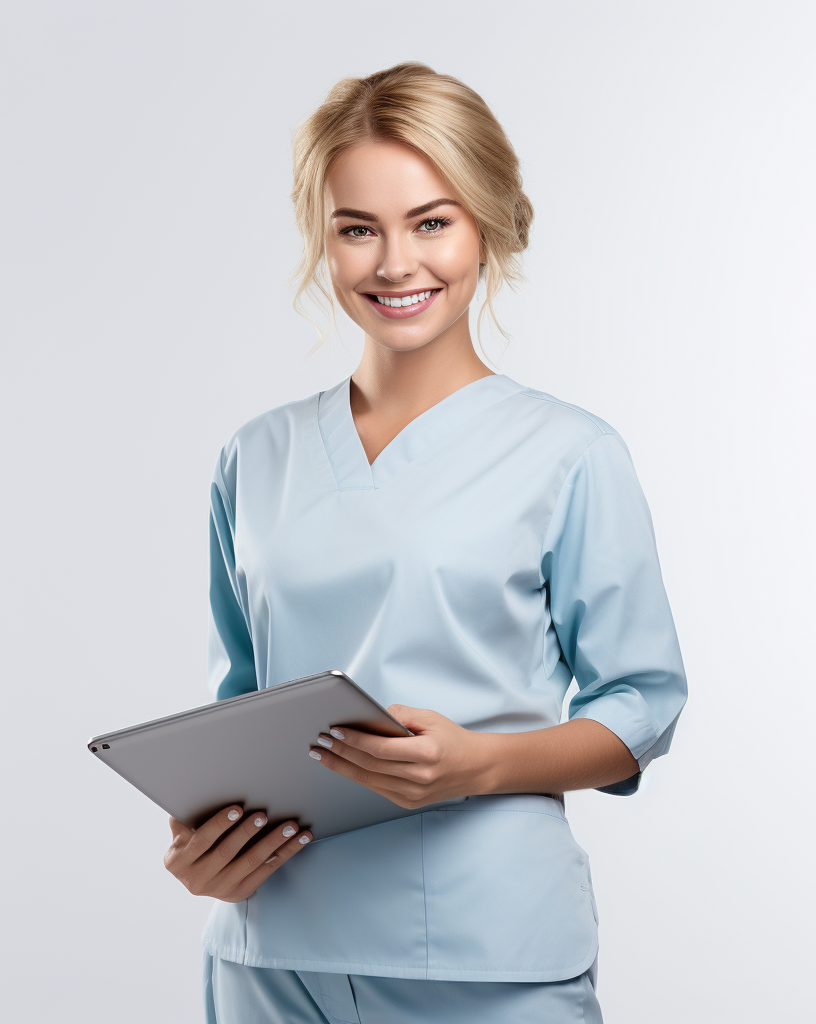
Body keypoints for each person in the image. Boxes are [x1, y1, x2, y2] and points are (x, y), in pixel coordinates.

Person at [164, 62, 687, 1024]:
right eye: (357, 229)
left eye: (431, 222)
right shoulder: (256, 455)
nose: (395, 263)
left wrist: (480, 766)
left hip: (489, 960)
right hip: (271, 957)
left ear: (490, 221)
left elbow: (641, 710)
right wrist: (203, 842)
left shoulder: (569, 454)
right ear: (323, 245)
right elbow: (235, 709)